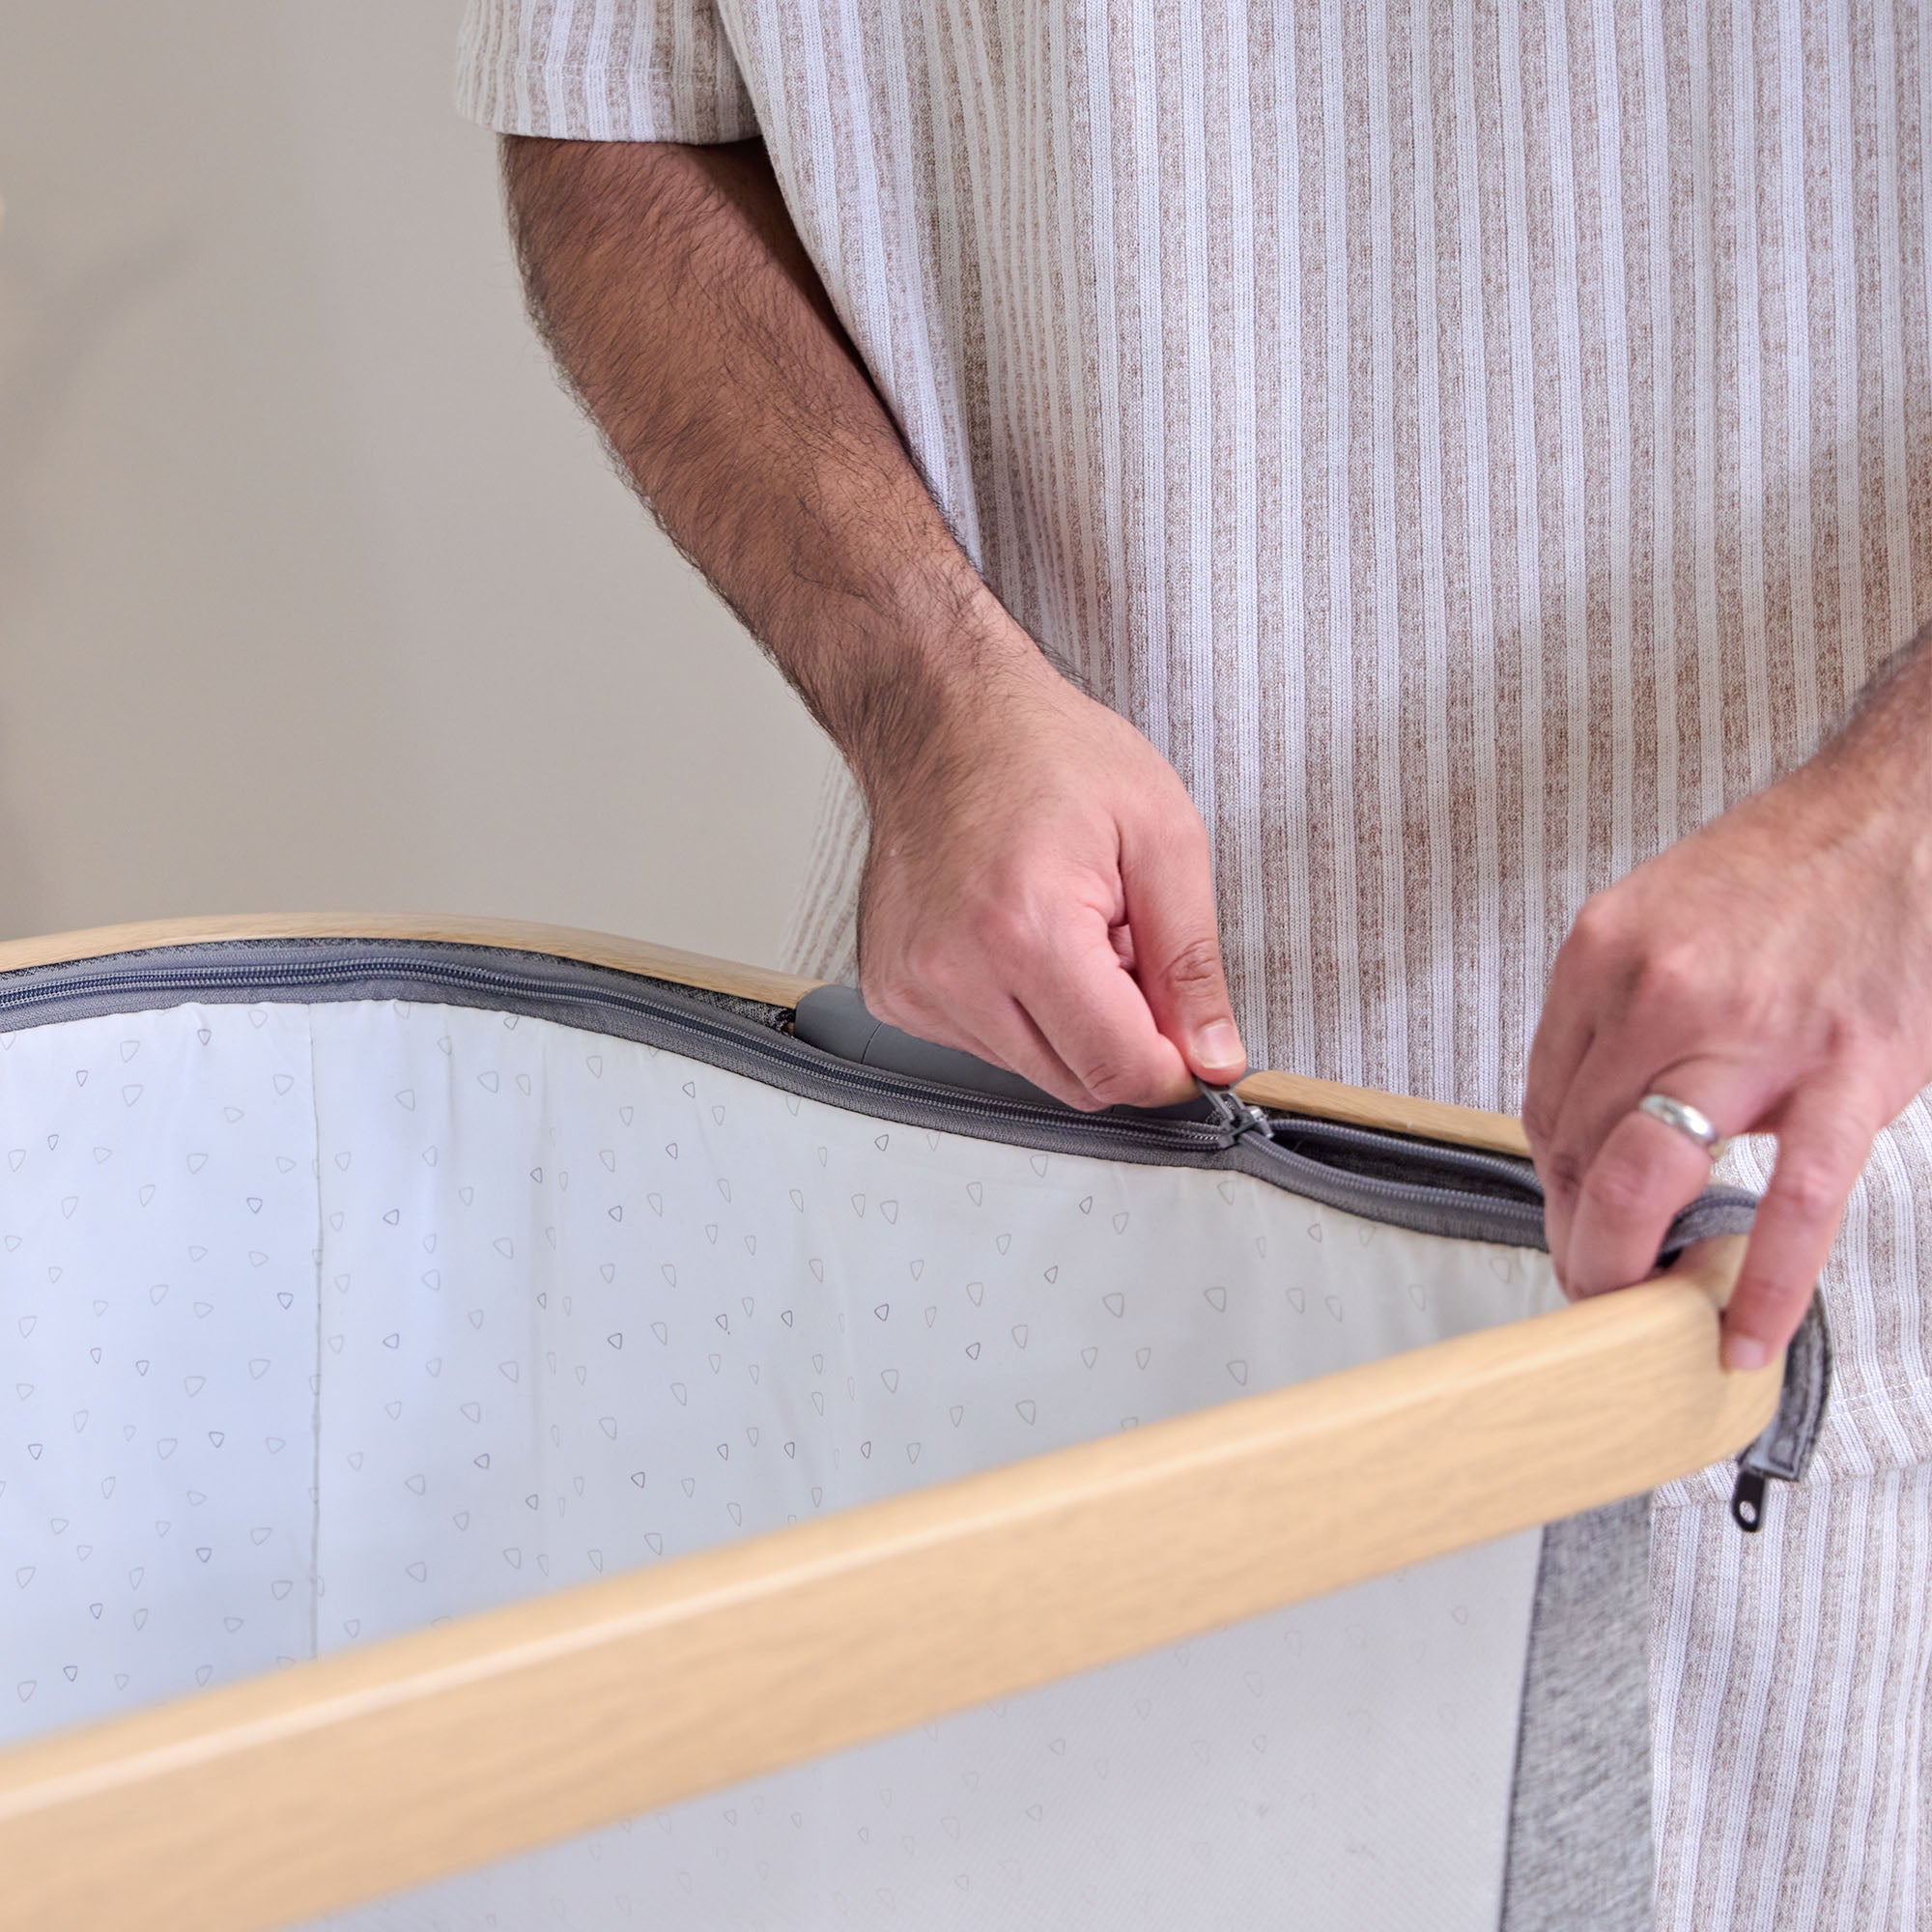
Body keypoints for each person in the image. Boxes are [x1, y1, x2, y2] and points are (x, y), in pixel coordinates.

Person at [459, 2, 1932, 1920]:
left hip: (1804, 1258)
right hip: (1020, 1207)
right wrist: (924, 685)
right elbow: (615, 115)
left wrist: (1898, 821)